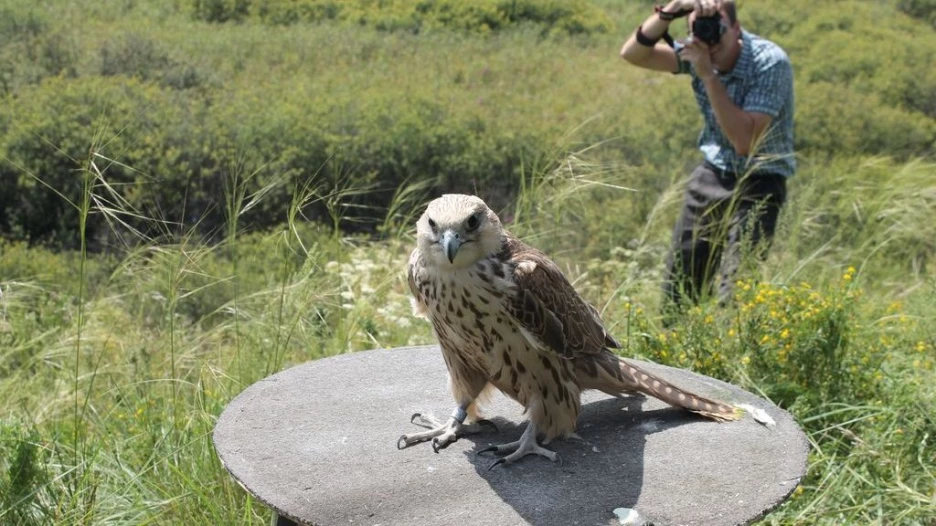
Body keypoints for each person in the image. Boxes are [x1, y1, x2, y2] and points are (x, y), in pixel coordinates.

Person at [619, 0, 795, 309]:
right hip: (714, 170)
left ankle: (731, 351)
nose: (710, 39)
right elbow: (633, 54)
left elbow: (745, 142)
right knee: (682, 281)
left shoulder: (770, 61)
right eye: (700, 30)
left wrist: (708, 75)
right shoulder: (695, 52)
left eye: (718, 28)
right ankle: (672, 349)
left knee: (738, 290)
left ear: (737, 28)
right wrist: (670, 11)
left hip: (761, 178)